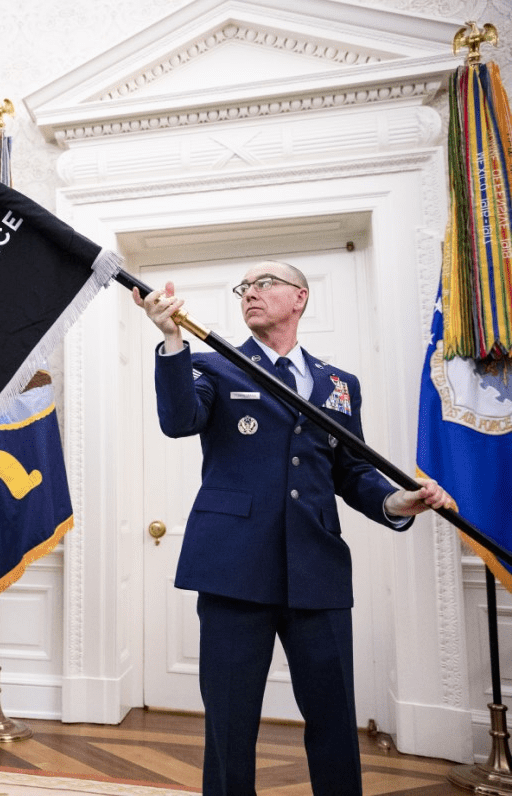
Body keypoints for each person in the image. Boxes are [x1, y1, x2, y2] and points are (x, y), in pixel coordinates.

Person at [132, 260, 451, 796]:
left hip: (317, 570)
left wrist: (397, 501)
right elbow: (179, 420)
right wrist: (170, 339)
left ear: (299, 297)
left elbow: (351, 470)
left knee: (334, 717)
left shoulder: (339, 384)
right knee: (230, 722)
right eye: (244, 287)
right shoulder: (215, 364)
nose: (249, 293)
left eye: (264, 284)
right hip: (233, 569)